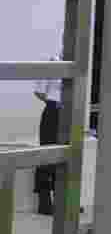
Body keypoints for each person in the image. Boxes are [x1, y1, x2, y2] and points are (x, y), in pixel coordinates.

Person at [33, 53, 62, 216]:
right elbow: (39, 91)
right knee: (47, 156)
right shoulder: (53, 62)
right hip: (53, 112)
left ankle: (63, 201)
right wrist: (54, 103)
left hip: (69, 113)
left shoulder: (79, 63)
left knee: (66, 156)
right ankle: (44, 203)